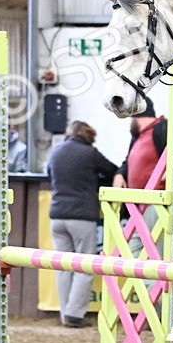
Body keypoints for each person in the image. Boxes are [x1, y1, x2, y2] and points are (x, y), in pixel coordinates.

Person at [47, 120, 119, 328]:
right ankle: (74, 314)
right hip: (82, 216)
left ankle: (64, 314)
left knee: (62, 267)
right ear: (88, 135)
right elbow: (112, 170)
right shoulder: (90, 153)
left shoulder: (56, 152)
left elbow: (49, 175)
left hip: (57, 215)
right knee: (84, 266)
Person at [113, 100, 166, 191]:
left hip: (156, 200)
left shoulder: (163, 129)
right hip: (135, 202)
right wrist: (120, 174)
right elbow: (127, 161)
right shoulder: (137, 136)